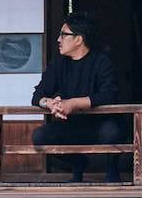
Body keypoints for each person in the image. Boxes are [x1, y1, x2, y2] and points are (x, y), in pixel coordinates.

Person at [30, 13, 126, 184]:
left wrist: (73, 103)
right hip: (71, 124)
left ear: (79, 39)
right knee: (40, 136)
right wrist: (49, 103)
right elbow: (37, 95)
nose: (58, 39)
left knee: (113, 131)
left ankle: (112, 168)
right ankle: (78, 162)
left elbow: (109, 95)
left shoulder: (101, 61)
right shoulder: (59, 63)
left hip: (100, 123)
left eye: (63, 35)